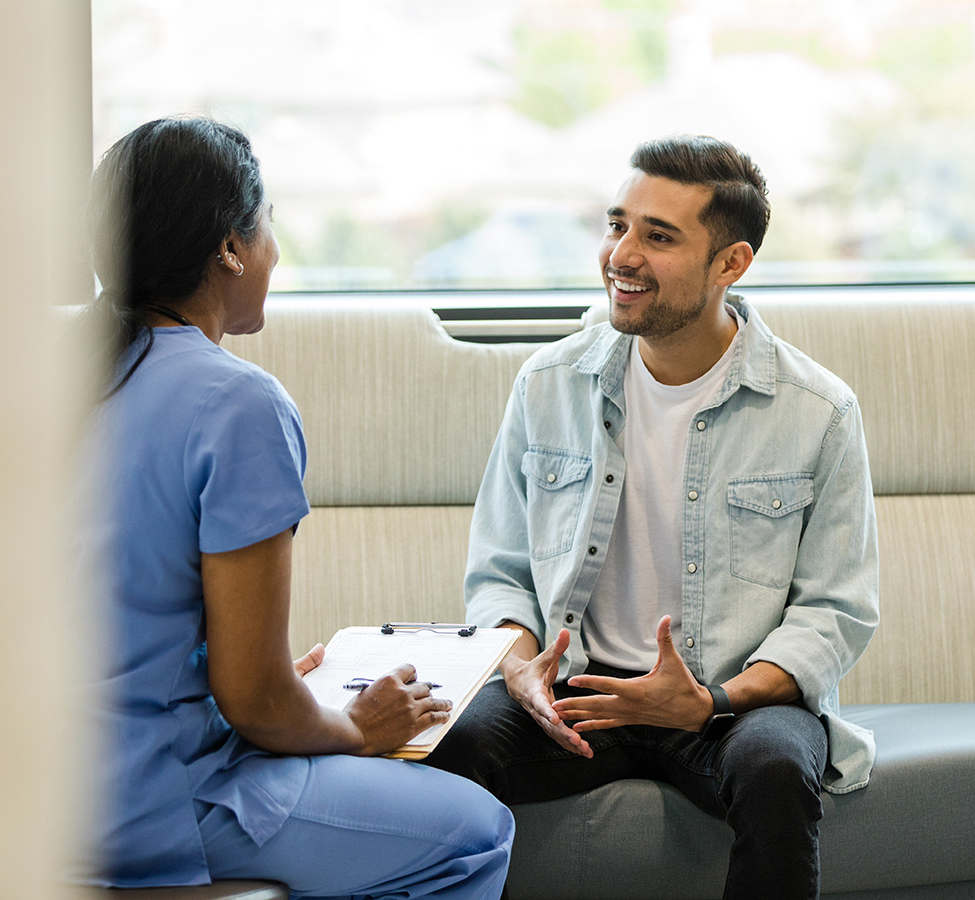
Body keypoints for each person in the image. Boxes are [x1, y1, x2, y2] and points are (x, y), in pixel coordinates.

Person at [424, 135, 880, 900]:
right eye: (617, 225)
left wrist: (713, 700)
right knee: (452, 741)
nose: (620, 256)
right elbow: (499, 571)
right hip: (577, 690)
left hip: (727, 702)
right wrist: (519, 670)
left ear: (730, 264)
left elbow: (835, 611)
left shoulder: (818, 410)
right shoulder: (549, 384)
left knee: (775, 770)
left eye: (658, 237)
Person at [75, 117, 512, 899]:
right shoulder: (238, 403)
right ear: (230, 248)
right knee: (474, 834)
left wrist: (248, 683)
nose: (274, 248)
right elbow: (256, 702)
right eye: (268, 221)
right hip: (151, 801)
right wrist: (356, 727)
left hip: (24, 789)